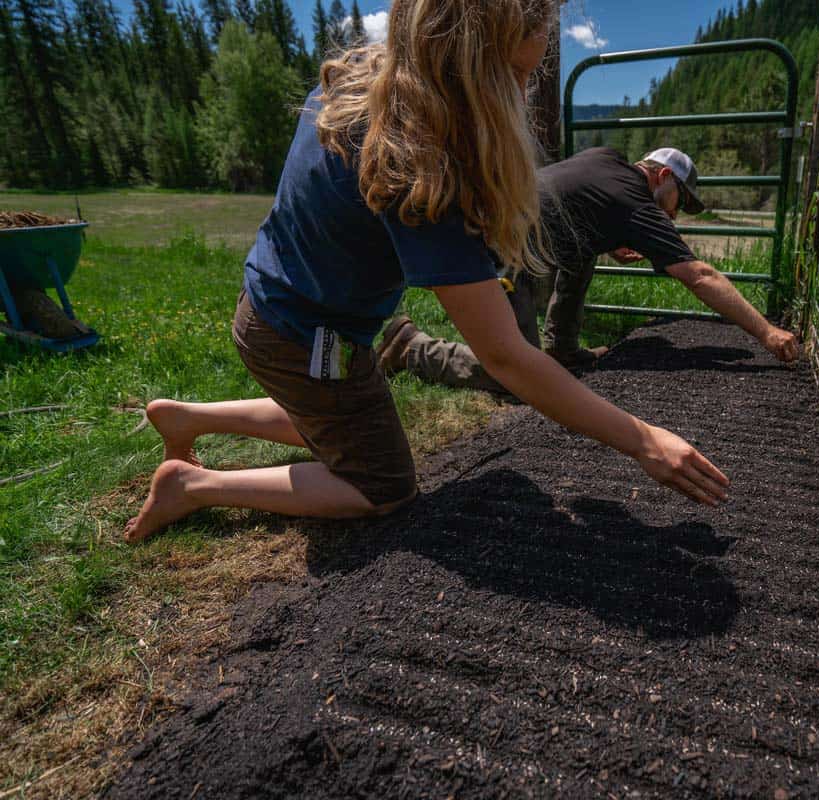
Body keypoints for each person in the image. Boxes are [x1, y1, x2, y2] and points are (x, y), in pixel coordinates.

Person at [124, 0, 729, 544]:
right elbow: (507, 356)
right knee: (382, 482)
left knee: (343, 411)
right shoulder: (416, 166)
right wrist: (644, 440)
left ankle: (188, 416)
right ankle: (193, 487)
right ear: (466, 68)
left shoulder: (364, 84)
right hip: (302, 337)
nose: (521, 97)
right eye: (513, 77)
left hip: (281, 310)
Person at [377, 146, 801, 393]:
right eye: (681, 203)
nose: (676, 215)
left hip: (511, 234)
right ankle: (414, 348)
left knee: (585, 244)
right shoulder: (635, 202)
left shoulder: (608, 161)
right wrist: (767, 332)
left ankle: (562, 347)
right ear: (665, 177)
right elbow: (700, 275)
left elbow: (577, 206)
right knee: (522, 382)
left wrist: (610, 242)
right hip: (498, 258)